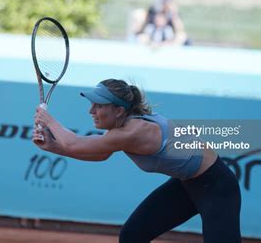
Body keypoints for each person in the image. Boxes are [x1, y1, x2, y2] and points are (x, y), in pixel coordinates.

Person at [33, 79, 242, 242]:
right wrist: (53, 146)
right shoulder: (121, 129)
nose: (91, 111)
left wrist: (47, 120)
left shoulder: (134, 131)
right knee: (132, 236)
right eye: (92, 104)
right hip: (186, 185)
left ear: (119, 111)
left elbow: (75, 144)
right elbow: (100, 154)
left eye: (98, 105)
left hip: (217, 187)